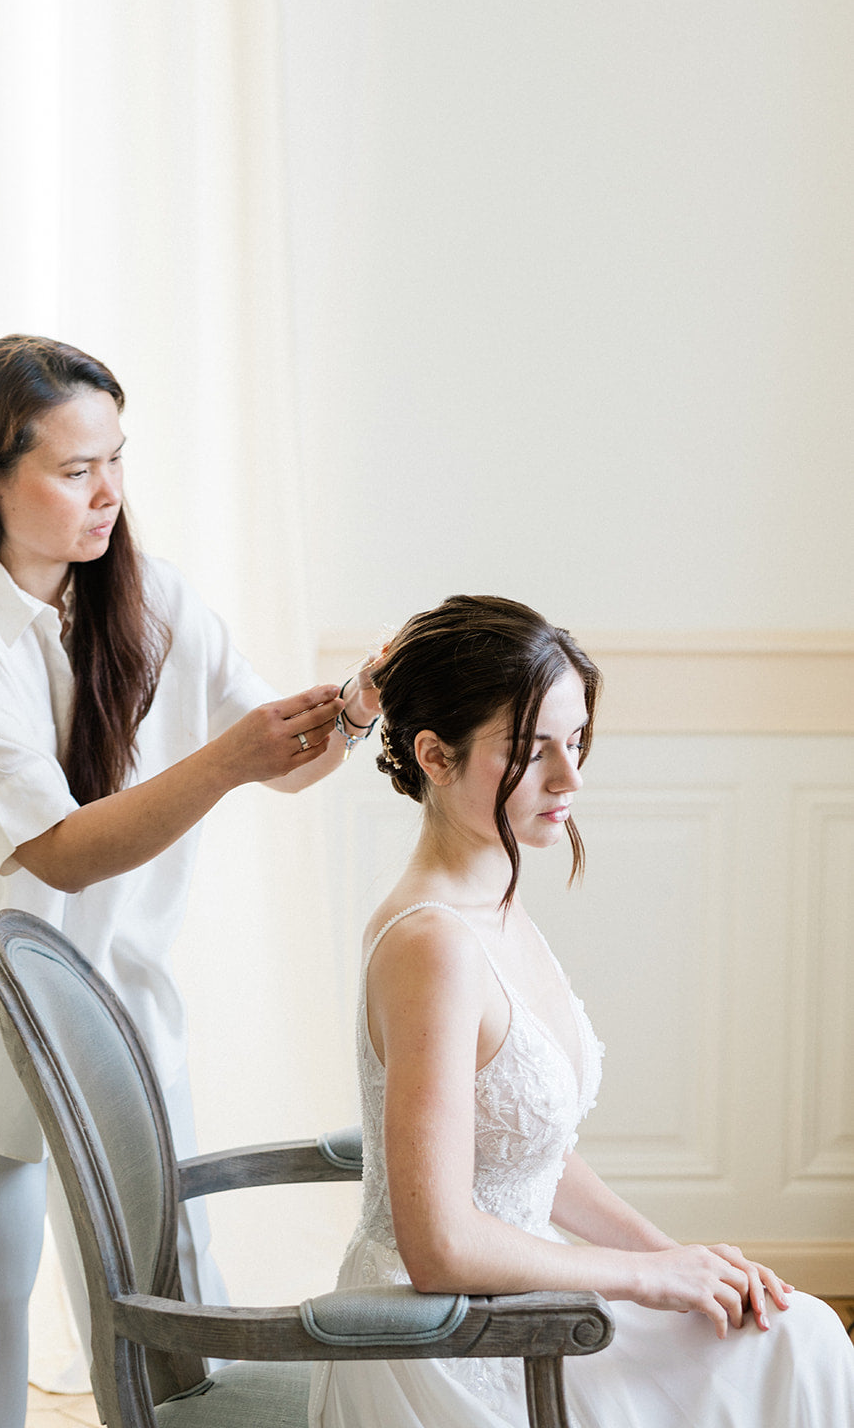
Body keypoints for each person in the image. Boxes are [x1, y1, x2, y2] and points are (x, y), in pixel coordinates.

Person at [0, 334, 380, 1428]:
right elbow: (56, 847)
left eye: (116, 460)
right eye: (73, 469)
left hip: (113, 1010)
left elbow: (284, 760)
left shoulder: (150, 603)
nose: (108, 494)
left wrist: (358, 704)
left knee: (166, 1326)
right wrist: (229, 756)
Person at [309, 595, 854, 1428]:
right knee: (794, 1348)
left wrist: (675, 1258)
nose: (570, 779)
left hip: (523, 1294)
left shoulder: (493, 901)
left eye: (575, 743)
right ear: (434, 756)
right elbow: (436, 1245)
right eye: (531, 754)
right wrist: (646, 1278)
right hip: (445, 1338)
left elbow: (529, 1157)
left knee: (796, 1335)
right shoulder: (432, 943)